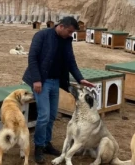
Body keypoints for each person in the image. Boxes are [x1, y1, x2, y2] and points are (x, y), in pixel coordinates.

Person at [22, 16, 95, 164]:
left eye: (72, 33)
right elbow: (32, 58)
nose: (70, 35)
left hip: (56, 82)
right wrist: (36, 79)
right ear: (61, 26)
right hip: (41, 82)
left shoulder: (67, 40)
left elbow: (71, 61)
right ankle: (39, 147)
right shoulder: (42, 35)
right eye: (69, 31)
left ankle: (47, 143)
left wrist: (80, 78)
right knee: (44, 115)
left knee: (52, 115)